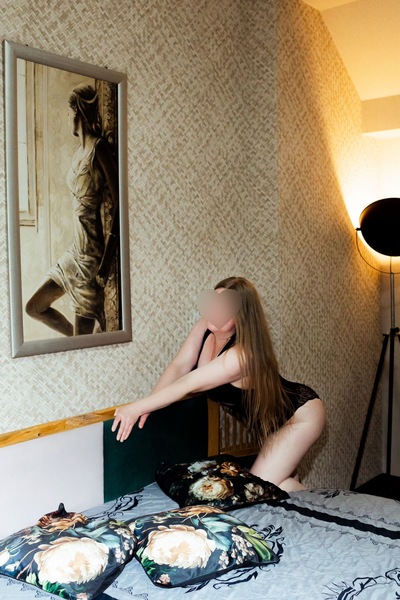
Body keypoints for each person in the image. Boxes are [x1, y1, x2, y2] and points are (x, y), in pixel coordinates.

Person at [112, 277, 325, 491]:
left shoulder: (242, 355)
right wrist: (149, 405)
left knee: (256, 490)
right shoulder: (205, 327)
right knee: (281, 484)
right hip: (272, 424)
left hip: (299, 416)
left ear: (241, 315)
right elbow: (180, 365)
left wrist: (138, 407)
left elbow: (189, 383)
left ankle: (315, 503)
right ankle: (313, 503)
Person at [25, 84, 119, 336]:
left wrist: (105, 263)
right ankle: (80, 338)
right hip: (74, 254)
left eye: (69, 112)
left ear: (77, 111)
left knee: (82, 342)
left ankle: (85, 338)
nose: (68, 118)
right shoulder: (79, 152)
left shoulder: (99, 148)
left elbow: (120, 204)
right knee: (33, 307)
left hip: (91, 259)